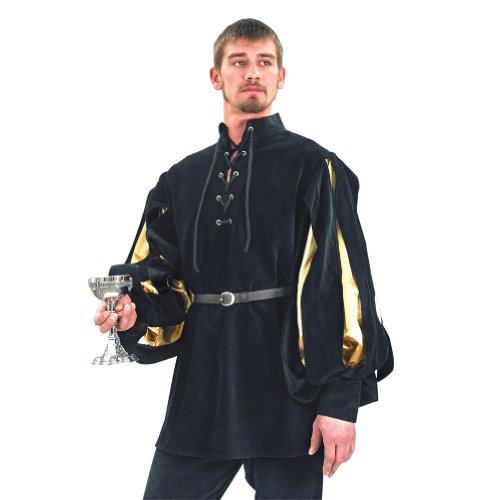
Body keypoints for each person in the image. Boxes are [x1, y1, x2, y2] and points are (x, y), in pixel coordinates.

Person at [93, 18, 394, 500]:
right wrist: (133, 312)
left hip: (290, 389)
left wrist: (340, 401)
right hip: (203, 388)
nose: (252, 72)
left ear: (280, 76)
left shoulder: (314, 167)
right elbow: (160, 278)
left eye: (264, 62)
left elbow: (343, 284)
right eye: (239, 61)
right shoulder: (181, 179)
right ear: (217, 76)